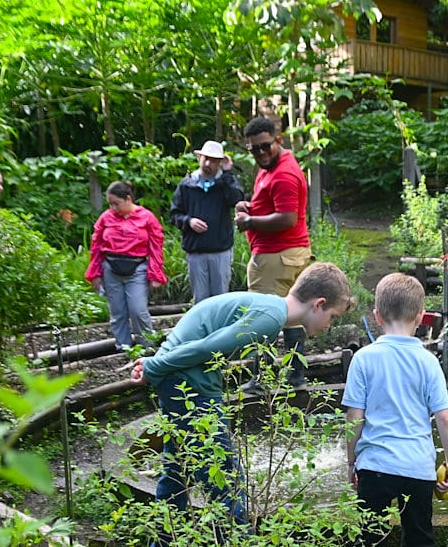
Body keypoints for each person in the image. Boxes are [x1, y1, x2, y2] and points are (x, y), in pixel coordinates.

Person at [129, 262, 354, 530]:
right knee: (227, 481)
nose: (330, 326)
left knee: (178, 470)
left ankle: (163, 545)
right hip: (189, 384)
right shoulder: (270, 318)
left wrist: (158, 362)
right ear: (318, 304)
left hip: (182, 380)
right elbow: (206, 347)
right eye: (333, 317)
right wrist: (155, 365)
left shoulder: (269, 307)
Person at [343, 273, 448, 547]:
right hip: (418, 468)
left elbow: (355, 418)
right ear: (421, 316)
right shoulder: (427, 361)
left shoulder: (364, 358)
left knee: (372, 538)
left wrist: (351, 461)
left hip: (375, 467)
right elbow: (444, 417)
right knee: (421, 540)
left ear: (377, 315)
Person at [233, 116, 312, 387]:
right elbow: (274, 206)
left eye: (265, 146)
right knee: (292, 315)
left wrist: (249, 222)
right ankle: (294, 377)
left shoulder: (283, 174)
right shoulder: (272, 166)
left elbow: (287, 218)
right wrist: (251, 208)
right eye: (254, 149)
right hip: (287, 253)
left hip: (276, 256)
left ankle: (263, 380)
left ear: (278, 140)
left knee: (262, 317)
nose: (261, 153)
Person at [85, 181, 167, 350]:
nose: (113, 208)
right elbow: (96, 247)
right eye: (110, 204)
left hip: (137, 269)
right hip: (110, 269)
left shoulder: (146, 217)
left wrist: (156, 273)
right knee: (117, 313)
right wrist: (95, 273)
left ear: (128, 199)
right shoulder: (106, 218)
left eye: (116, 203)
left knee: (138, 310)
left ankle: (147, 347)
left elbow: (156, 246)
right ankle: (123, 348)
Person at [170, 140, 245, 303]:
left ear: (220, 162)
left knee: (221, 300)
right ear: (199, 158)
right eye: (206, 159)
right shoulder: (186, 185)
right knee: (200, 301)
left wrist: (227, 173)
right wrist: (189, 221)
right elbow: (174, 214)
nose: (208, 164)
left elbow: (237, 200)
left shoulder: (224, 184)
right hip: (196, 251)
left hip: (221, 251)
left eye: (213, 160)